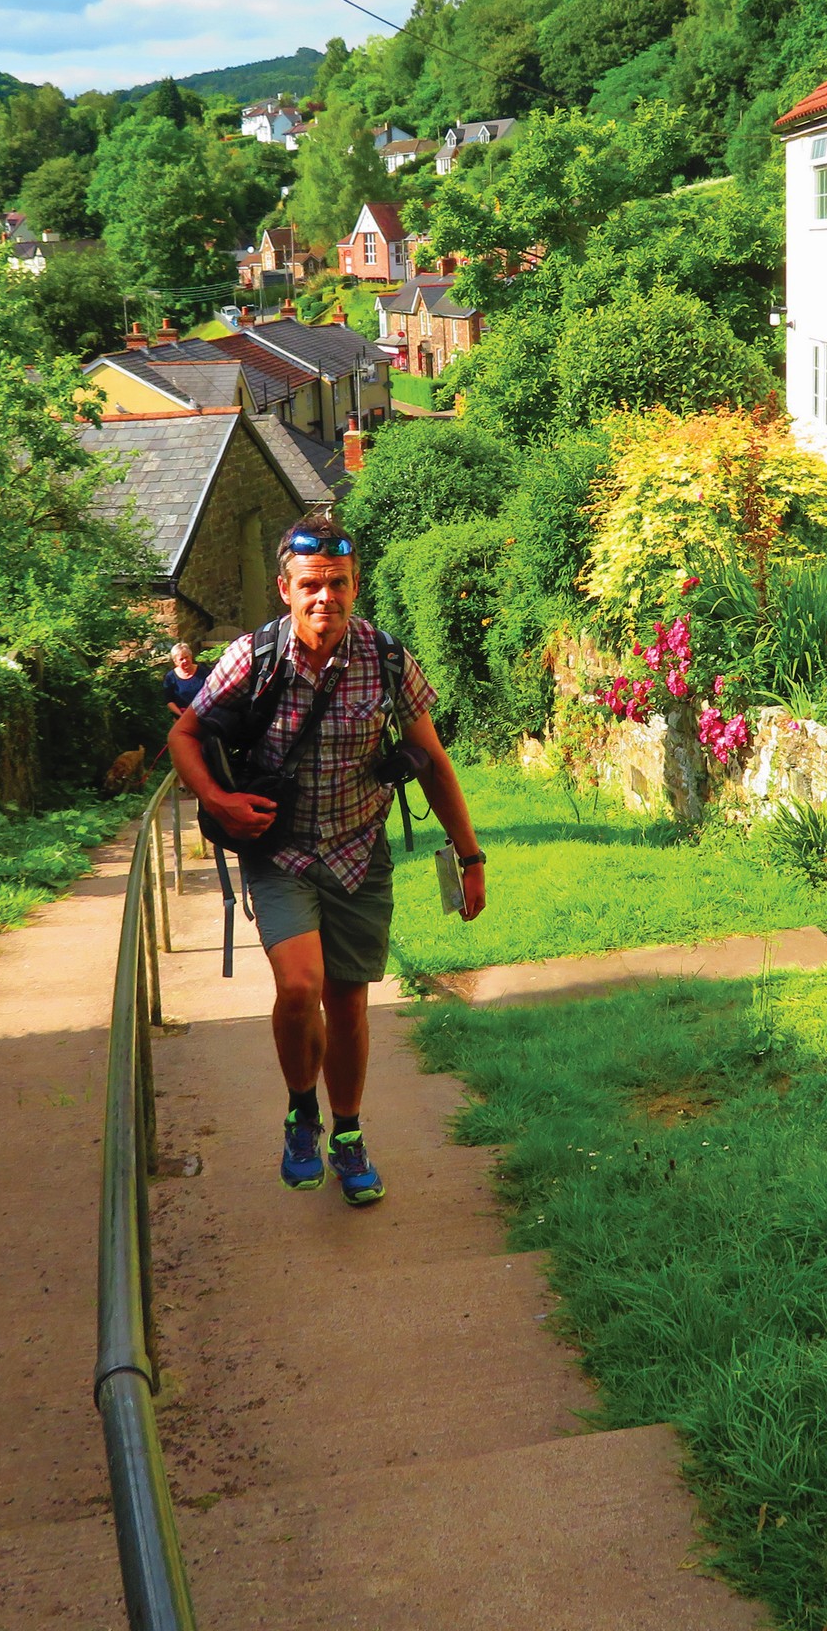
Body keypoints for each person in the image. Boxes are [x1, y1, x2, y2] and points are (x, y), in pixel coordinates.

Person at [166, 512, 485, 1206]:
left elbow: (431, 758)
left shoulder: (387, 658)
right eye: (311, 585)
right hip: (279, 850)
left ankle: (346, 1133)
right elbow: (184, 736)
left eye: (338, 584)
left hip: (357, 851)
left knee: (348, 1002)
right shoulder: (254, 657)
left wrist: (470, 856)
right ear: (286, 589)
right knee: (298, 986)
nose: (325, 599)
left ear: (354, 584)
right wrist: (218, 802)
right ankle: (300, 1111)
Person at [161, 639, 207, 717]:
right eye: (181, 659)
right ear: (175, 662)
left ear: (191, 656)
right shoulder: (170, 677)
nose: (185, 661)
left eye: (186, 657)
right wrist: (182, 715)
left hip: (205, 715)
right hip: (182, 717)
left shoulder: (203, 671)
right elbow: (169, 701)